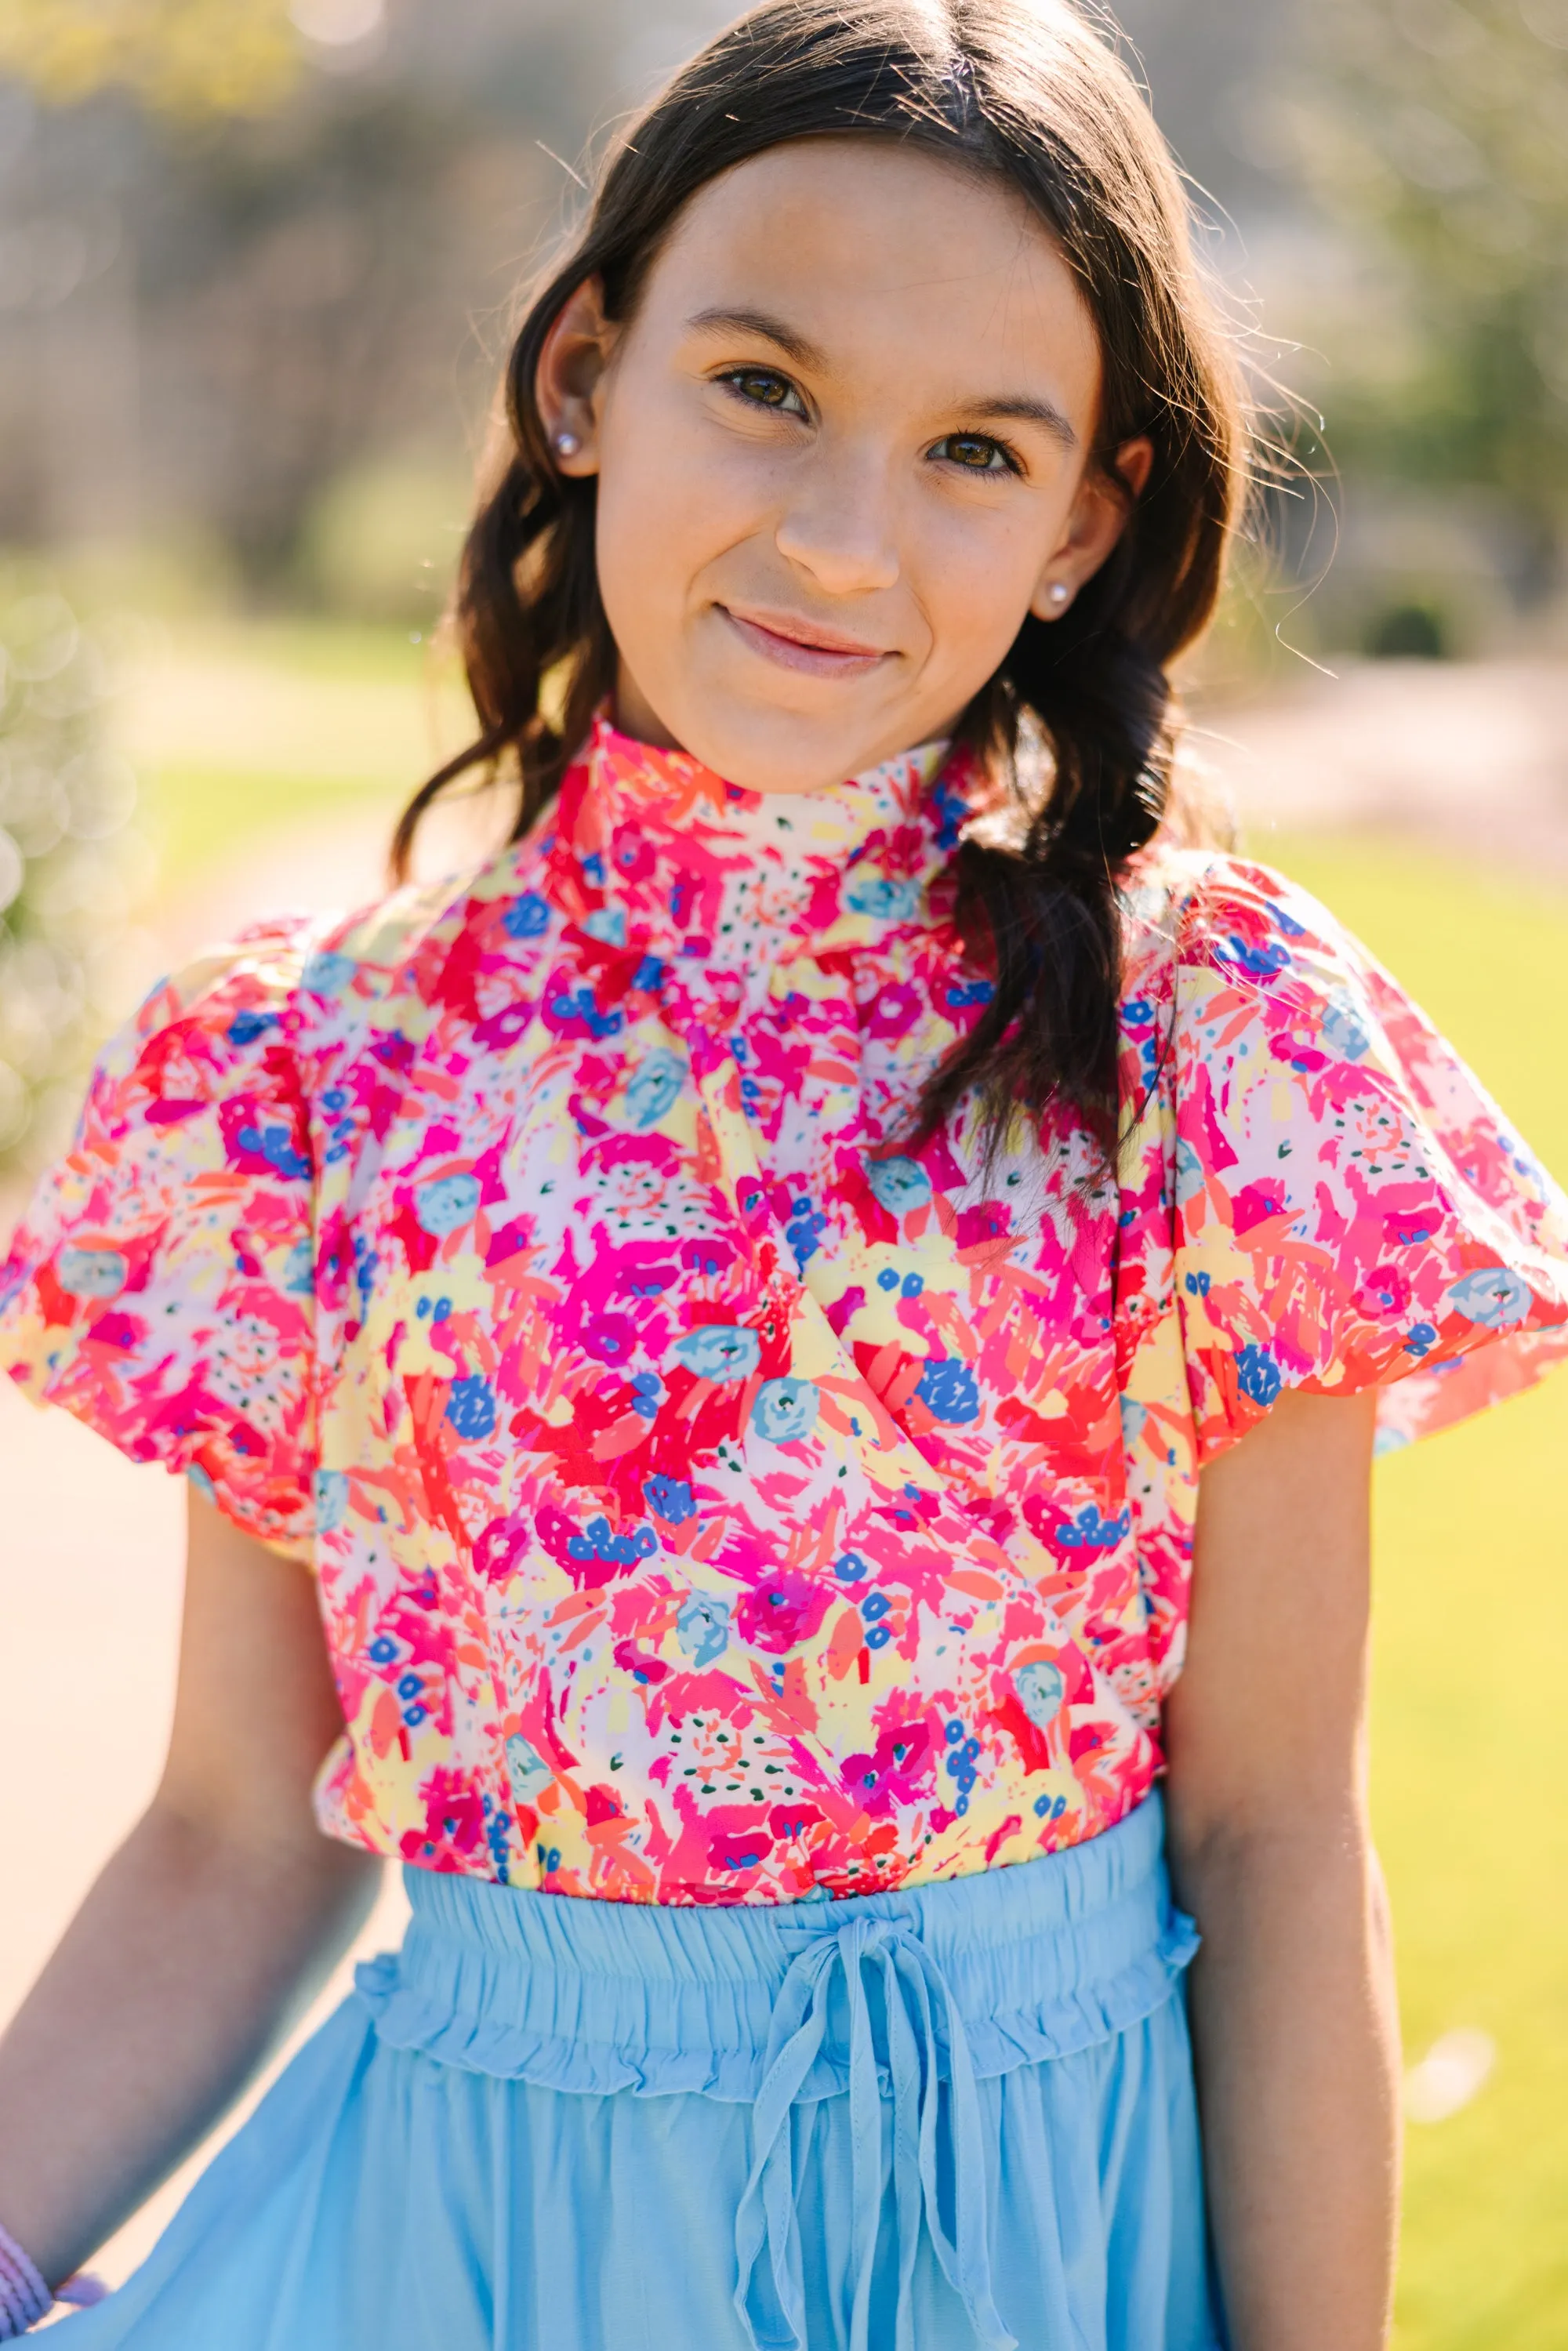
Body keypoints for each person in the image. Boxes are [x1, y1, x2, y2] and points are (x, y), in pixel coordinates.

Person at [2, 3, 1566, 2346]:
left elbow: (1268, 1823)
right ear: (584, 380)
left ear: (1084, 523)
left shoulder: (1209, 1028)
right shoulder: (302, 1068)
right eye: (760, 386)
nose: (842, 537)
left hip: (1039, 2235)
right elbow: (237, 1827)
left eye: (972, 449)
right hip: (470, 2248)